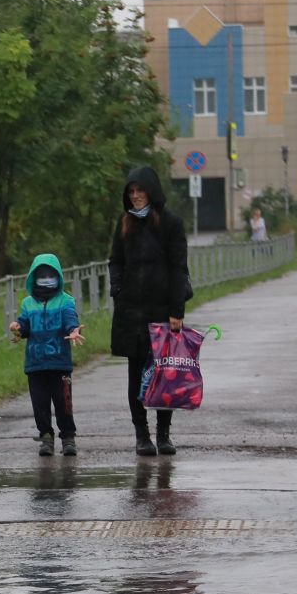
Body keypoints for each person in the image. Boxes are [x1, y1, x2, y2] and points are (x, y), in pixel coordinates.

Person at [108, 166, 191, 457]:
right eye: (130, 192)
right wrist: (117, 289)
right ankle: (141, 435)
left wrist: (176, 311)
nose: (135, 197)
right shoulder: (125, 224)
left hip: (162, 313)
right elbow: (115, 261)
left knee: (165, 374)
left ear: (151, 191)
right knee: (136, 376)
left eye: (140, 191)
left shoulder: (170, 224)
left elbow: (179, 269)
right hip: (131, 314)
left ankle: (163, 434)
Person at [8, 252, 84, 457]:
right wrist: (18, 328)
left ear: (58, 276)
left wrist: (74, 330)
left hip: (60, 363)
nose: (46, 279)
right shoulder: (28, 303)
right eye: (41, 275)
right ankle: (46, 437)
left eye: (51, 275)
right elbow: (25, 325)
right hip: (36, 365)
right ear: (34, 278)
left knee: (63, 403)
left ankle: (68, 437)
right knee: (39, 404)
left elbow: (70, 319)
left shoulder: (65, 301)